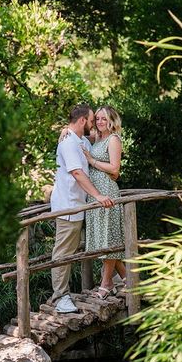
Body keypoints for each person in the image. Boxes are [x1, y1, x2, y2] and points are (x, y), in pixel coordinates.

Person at [50, 104, 114, 314]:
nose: (94, 123)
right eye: (91, 119)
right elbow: (77, 173)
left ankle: (124, 278)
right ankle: (60, 297)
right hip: (67, 207)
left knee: (74, 250)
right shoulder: (69, 144)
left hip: (78, 207)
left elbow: (102, 139)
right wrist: (98, 195)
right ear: (82, 121)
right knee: (63, 253)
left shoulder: (81, 140)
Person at [83, 105, 126, 298]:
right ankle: (128, 279)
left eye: (103, 119)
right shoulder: (97, 137)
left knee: (108, 238)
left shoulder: (113, 139)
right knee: (102, 239)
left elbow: (115, 169)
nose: (100, 122)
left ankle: (106, 283)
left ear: (111, 120)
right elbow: (80, 133)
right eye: (97, 118)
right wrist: (66, 129)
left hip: (106, 192)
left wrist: (91, 161)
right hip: (94, 193)